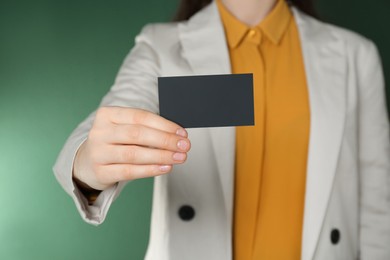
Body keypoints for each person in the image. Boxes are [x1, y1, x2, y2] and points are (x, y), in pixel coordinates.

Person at [53, 0, 390, 259]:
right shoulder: (161, 46)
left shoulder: (355, 55)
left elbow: (378, 205)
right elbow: (112, 116)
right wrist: (90, 165)